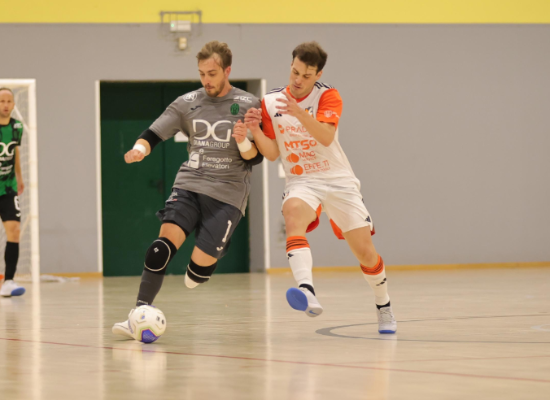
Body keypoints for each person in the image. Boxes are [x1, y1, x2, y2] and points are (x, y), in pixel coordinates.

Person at [113, 41, 263, 339]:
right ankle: (138, 312)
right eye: (201, 73)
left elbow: (256, 157)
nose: (206, 80)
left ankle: (206, 260)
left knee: (197, 274)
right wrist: (139, 149)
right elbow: (153, 133)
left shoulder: (249, 103)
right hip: (190, 184)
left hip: (228, 195)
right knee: (161, 247)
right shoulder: (187, 102)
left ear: (227, 71)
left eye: (212, 73)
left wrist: (244, 140)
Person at [245, 42, 396, 333]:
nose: (298, 80)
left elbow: (325, 137)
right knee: (292, 214)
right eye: (295, 72)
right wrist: (255, 131)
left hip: (338, 180)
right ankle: (307, 290)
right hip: (303, 181)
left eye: (306, 75)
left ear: (318, 74)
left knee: (366, 253)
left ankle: (383, 304)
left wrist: (299, 113)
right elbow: (273, 153)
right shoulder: (270, 101)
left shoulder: (328, 95)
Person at [0, 88, 26, 297]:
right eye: (2, 101)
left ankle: (8, 281)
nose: (5, 105)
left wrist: (19, 177)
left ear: (14, 105)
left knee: (14, 230)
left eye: (9, 101)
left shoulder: (17, 127)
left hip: (7, 187)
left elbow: (15, 151)